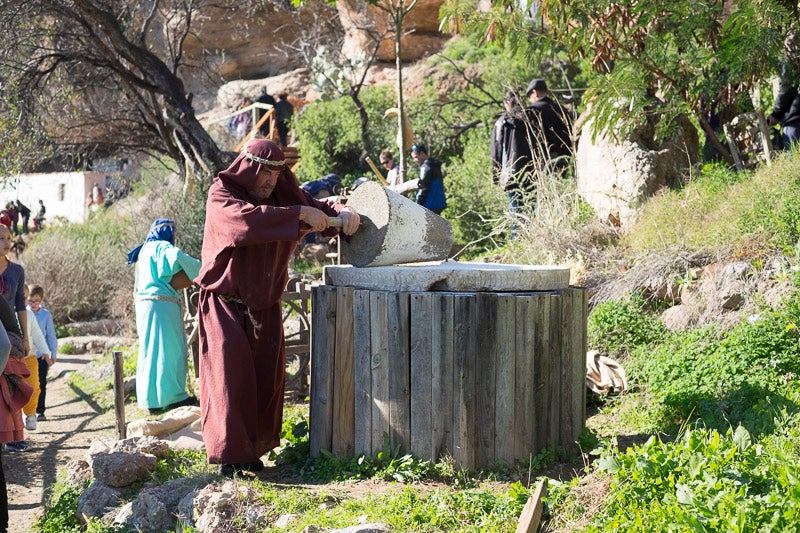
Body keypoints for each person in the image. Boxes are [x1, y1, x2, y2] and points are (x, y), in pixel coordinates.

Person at [196, 138, 359, 476]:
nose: (269, 182)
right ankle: (230, 459)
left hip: (265, 305)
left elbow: (321, 207)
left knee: (263, 383)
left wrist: (343, 213)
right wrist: (299, 214)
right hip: (225, 304)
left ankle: (252, 453)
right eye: (263, 174)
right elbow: (246, 224)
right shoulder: (222, 194)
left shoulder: (284, 197)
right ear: (248, 168)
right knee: (229, 383)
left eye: (275, 174)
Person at [127, 218, 201, 415]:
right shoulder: (160, 246)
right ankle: (175, 397)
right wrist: (201, 269)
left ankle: (152, 400)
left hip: (144, 306)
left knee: (150, 351)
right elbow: (176, 256)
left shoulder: (144, 250)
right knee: (170, 350)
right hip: (161, 305)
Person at [0, 224, 29, 451]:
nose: (6, 243)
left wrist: (25, 337)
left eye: (7, 238)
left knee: (11, 384)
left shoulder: (16, 271)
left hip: (9, 334)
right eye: (1, 238)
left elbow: (21, 306)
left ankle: (15, 437)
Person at [491, 89, 534, 210]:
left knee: (516, 213)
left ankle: (517, 230)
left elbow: (496, 150)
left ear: (507, 102)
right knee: (532, 210)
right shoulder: (530, 117)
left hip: (511, 173)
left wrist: (496, 175)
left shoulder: (502, 122)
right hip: (532, 171)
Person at [525, 78, 573, 173]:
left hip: (545, 159)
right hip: (565, 157)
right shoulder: (560, 108)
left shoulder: (532, 111)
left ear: (534, 93)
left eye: (530, 97)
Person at [20, 284, 50, 431]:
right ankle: (16, 416)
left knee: (34, 386)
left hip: (30, 356)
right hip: (13, 358)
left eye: (24, 297)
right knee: (14, 389)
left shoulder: (29, 315)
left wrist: (45, 351)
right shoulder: (6, 312)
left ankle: (31, 413)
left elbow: (37, 334)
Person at [27, 285, 56, 422]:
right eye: (30, 300)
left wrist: (53, 353)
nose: (33, 304)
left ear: (41, 300)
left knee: (41, 383)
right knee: (28, 383)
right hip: (28, 355)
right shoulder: (23, 313)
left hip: (42, 355)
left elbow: (50, 335)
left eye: (36, 301)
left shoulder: (45, 315)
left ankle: (40, 411)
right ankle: (28, 411)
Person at [769, 34, 800, 149]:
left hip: (794, 121)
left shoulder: (789, 60)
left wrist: (775, 114)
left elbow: (786, 89)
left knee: (794, 160)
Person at [410, 144, 447, 215]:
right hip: (439, 204)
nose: (414, 160)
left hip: (429, 204)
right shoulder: (435, 165)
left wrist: (417, 204)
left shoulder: (426, 167)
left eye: (416, 157)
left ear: (422, 154)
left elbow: (423, 187)